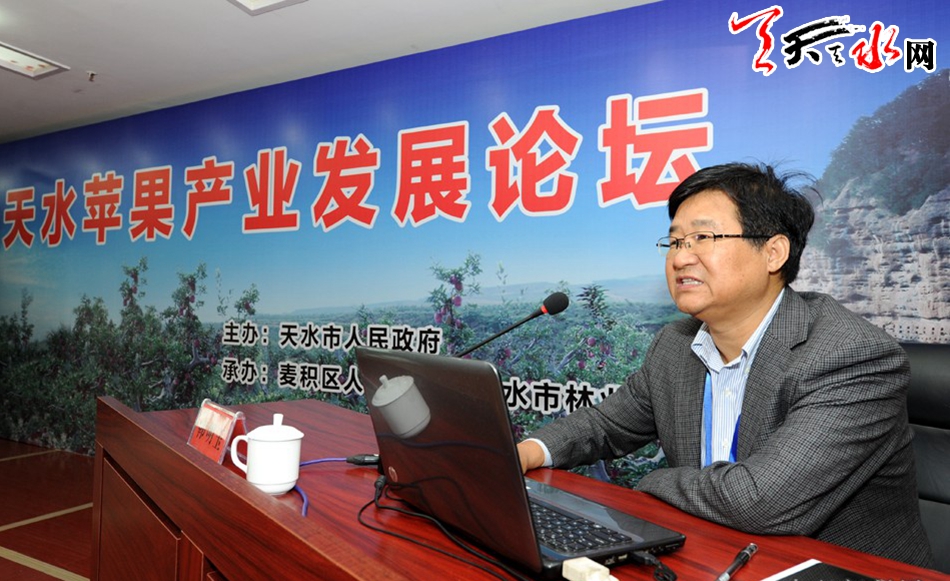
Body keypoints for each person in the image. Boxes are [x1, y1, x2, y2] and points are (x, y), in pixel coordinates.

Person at [517, 162, 935, 568]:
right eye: (675, 242)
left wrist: (650, 482)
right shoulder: (675, 345)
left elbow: (761, 500)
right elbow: (604, 425)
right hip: (709, 556)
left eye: (702, 237)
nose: (681, 258)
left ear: (773, 253)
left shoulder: (851, 356)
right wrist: (526, 452)